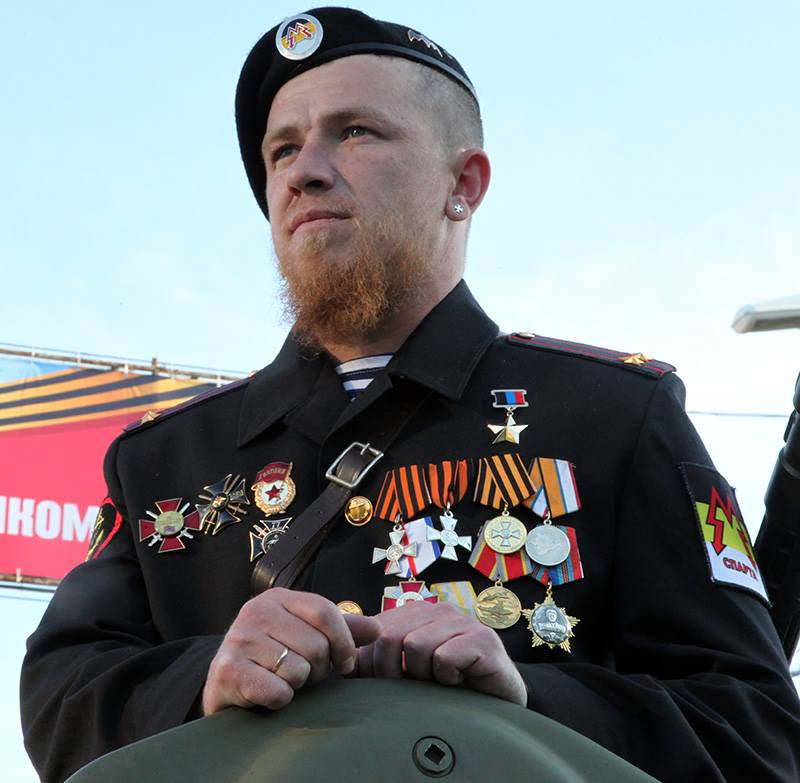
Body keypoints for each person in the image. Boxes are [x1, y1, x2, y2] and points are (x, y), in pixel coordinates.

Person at [20, 7, 800, 783]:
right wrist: (206, 677)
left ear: (464, 183)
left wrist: (529, 706)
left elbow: (755, 730)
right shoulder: (159, 459)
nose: (303, 170)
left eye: (354, 132)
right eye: (282, 148)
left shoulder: (617, 416)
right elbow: (59, 698)